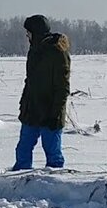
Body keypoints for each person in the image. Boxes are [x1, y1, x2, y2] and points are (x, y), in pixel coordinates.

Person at [14, 15, 71, 170]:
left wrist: (55, 113)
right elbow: (30, 81)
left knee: (53, 153)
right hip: (31, 110)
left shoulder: (57, 53)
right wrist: (24, 104)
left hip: (50, 112)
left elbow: (63, 87)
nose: (27, 36)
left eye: (29, 33)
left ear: (36, 32)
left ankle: (55, 184)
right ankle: (19, 180)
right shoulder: (34, 51)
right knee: (23, 149)